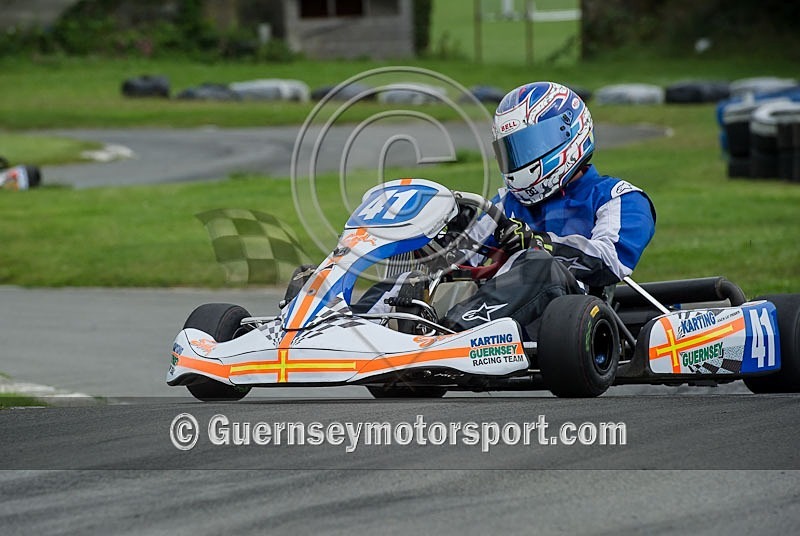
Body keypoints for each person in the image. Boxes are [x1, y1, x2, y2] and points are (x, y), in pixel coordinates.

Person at [352, 81, 656, 340]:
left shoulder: (618, 197)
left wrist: (540, 244)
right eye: (512, 149)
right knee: (425, 269)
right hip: (499, 318)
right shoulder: (504, 204)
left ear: (568, 135)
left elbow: (609, 259)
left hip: (573, 320)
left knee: (536, 264)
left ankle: (450, 335)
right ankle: (354, 330)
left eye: (528, 146)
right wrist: (441, 238)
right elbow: (457, 256)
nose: (519, 158)